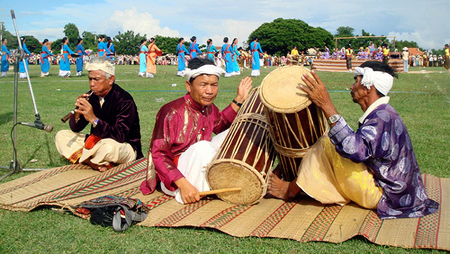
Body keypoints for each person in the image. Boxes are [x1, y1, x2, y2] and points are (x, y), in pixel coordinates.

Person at [267, 61, 439, 219]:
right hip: (398, 194)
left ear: (368, 88)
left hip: (388, 197)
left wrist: (326, 104)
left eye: (356, 81)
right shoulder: (384, 113)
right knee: (330, 143)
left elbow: (356, 151)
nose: (352, 86)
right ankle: (306, 185)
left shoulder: (382, 117)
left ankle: (290, 190)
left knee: (327, 143)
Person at [140, 58, 253, 204]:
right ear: (189, 85)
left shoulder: (208, 108)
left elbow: (222, 125)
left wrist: (239, 99)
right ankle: (198, 187)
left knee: (238, 132)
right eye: (203, 85)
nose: (209, 91)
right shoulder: (171, 112)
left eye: (214, 85)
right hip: (176, 179)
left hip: (199, 162)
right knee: (204, 147)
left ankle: (232, 177)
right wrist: (183, 185)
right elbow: (159, 155)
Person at [55, 56, 143, 172]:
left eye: (96, 79)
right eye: (90, 79)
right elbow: (76, 128)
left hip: (123, 146)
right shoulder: (92, 97)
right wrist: (78, 112)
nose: (92, 84)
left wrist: (94, 120)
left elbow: (120, 136)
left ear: (110, 79)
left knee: (108, 148)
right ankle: (92, 162)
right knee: (62, 136)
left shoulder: (125, 100)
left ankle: (89, 157)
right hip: (96, 142)